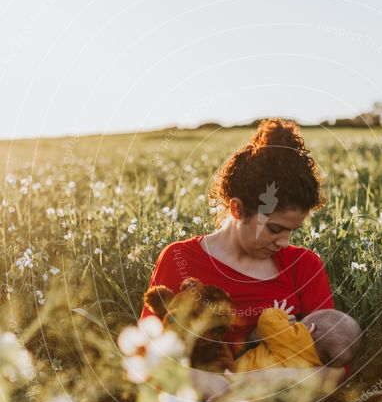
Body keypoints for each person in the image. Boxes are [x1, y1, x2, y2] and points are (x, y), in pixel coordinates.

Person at [140, 118, 357, 375]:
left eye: (292, 231)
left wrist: (264, 384)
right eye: (274, 229)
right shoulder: (180, 258)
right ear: (237, 209)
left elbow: (335, 368)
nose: (285, 242)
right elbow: (148, 354)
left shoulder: (304, 266)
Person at [232, 307, 362, 373]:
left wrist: (280, 314)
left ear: (310, 328)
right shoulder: (315, 366)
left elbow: (267, 322)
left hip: (241, 373)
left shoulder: (296, 337)